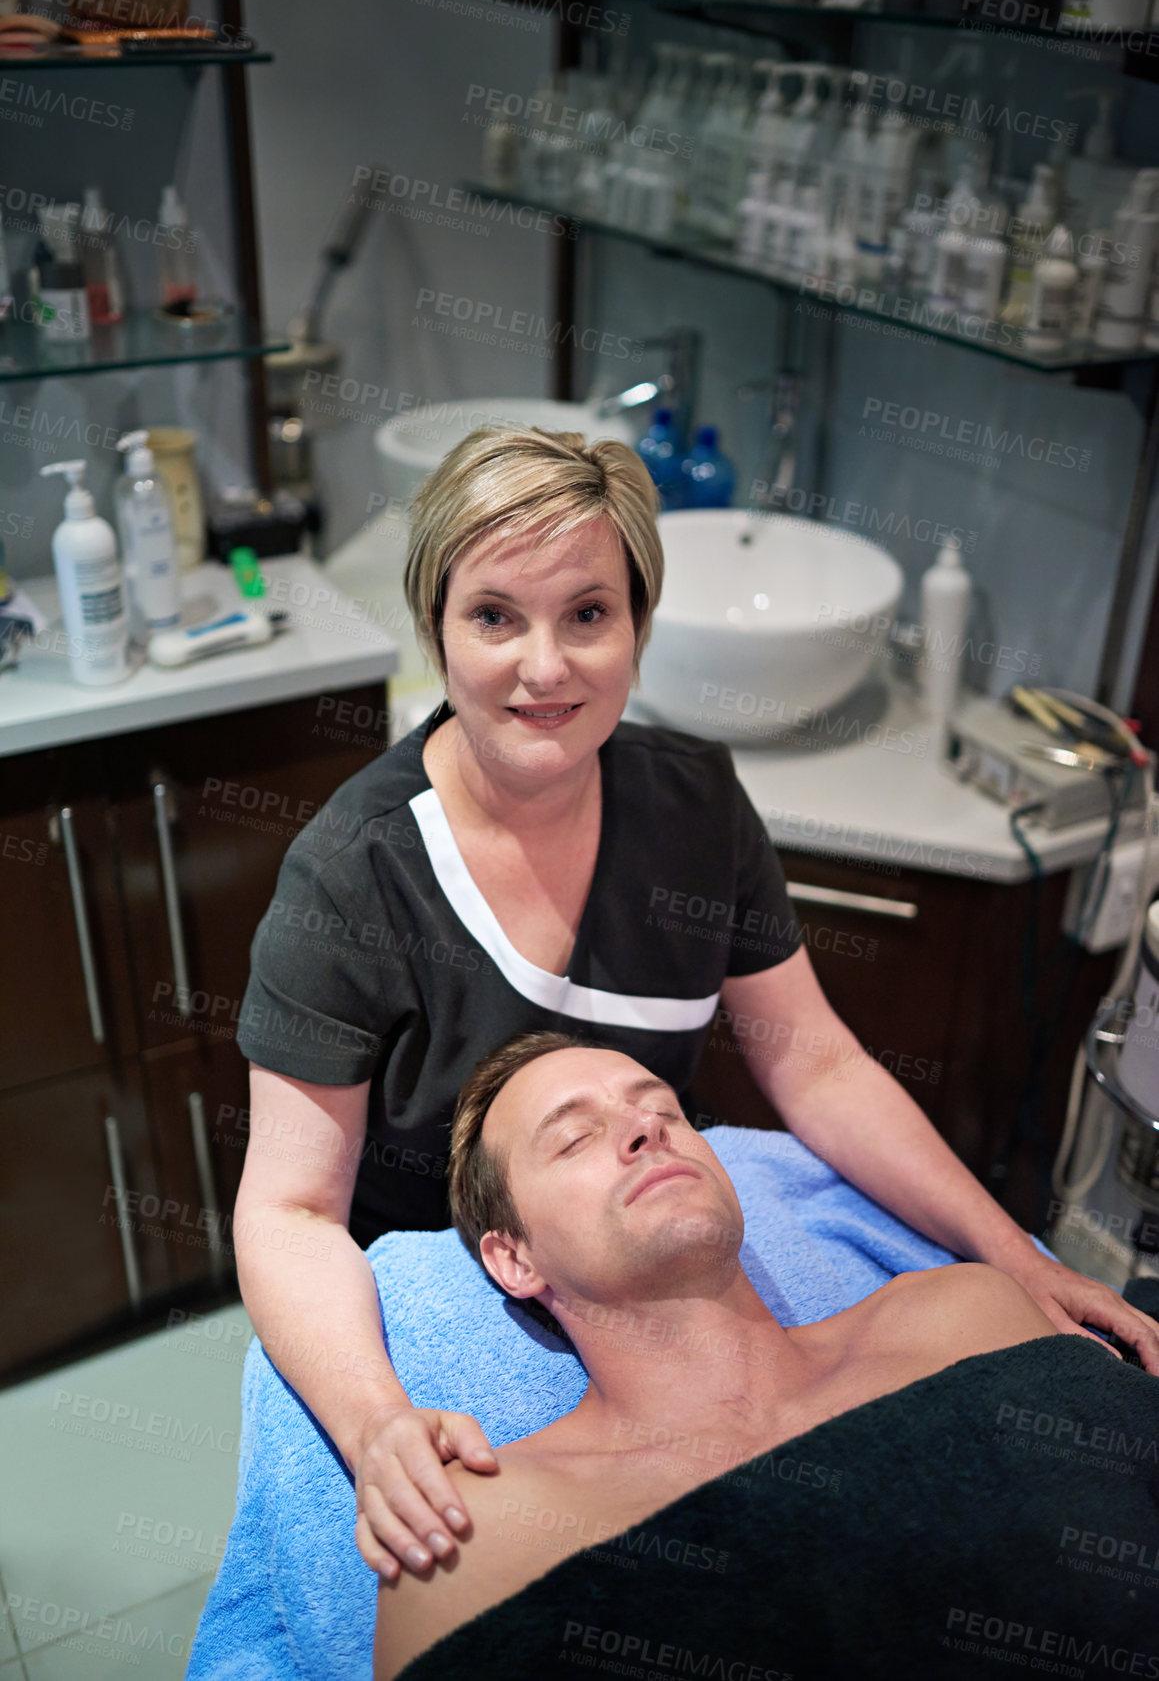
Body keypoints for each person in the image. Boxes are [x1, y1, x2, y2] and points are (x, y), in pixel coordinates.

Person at [231, 424, 1159, 1587]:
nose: (546, 667)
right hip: (454, 1276)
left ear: (637, 626)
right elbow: (290, 1211)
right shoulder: (352, 876)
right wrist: (377, 1422)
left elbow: (813, 1062)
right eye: (494, 616)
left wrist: (1015, 1255)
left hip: (644, 1258)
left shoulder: (694, 804)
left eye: (588, 614)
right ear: (436, 628)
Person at [373, 1030, 1071, 1681]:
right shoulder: (481, 1524)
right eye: (576, 1137)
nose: (647, 1130)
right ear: (515, 1257)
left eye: (666, 1113)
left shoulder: (958, 1321)